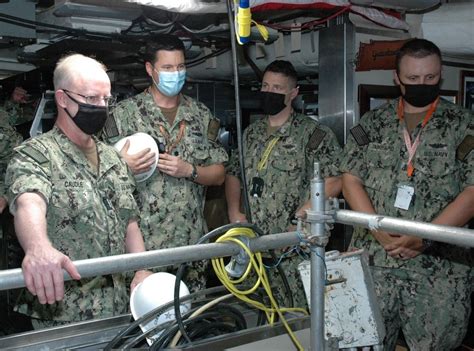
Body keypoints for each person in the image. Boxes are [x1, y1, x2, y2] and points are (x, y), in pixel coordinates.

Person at [341, 38, 473, 350]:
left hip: (438, 273)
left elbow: (472, 191)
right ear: (397, 78)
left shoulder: (465, 125)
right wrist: (379, 230)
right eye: (413, 78)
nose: (422, 84)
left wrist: (424, 237)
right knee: (363, 344)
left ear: (440, 75)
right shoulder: (373, 124)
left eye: (430, 78)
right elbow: (350, 179)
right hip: (376, 263)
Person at [5, 54, 151, 329]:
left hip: (118, 306)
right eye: (91, 99)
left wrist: (142, 269)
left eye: (106, 100)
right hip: (64, 312)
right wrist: (37, 247)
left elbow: (129, 221)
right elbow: (29, 201)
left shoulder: (113, 158)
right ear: (62, 99)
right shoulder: (36, 155)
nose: (101, 107)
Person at [103, 34, 228, 292]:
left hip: (190, 245)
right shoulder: (123, 115)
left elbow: (219, 174)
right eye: (168, 68)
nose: (176, 73)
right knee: (143, 324)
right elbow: (97, 173)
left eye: (180, 67)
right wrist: (122, 164)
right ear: (150, 69)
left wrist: (190, 171)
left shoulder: (200, 115)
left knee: (189, 321)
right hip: (142, 249)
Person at [225, 60, 342, 308]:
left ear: (293, 93)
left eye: (277, 88)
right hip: (253, 247)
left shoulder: (313, 135)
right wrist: (234, 212)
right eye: (266, 85)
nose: (269, 92)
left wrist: (299, 219)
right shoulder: (250, 133)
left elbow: (334, 180)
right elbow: (233, 173)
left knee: (297, 317)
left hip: (292, 249)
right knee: (256, 318)